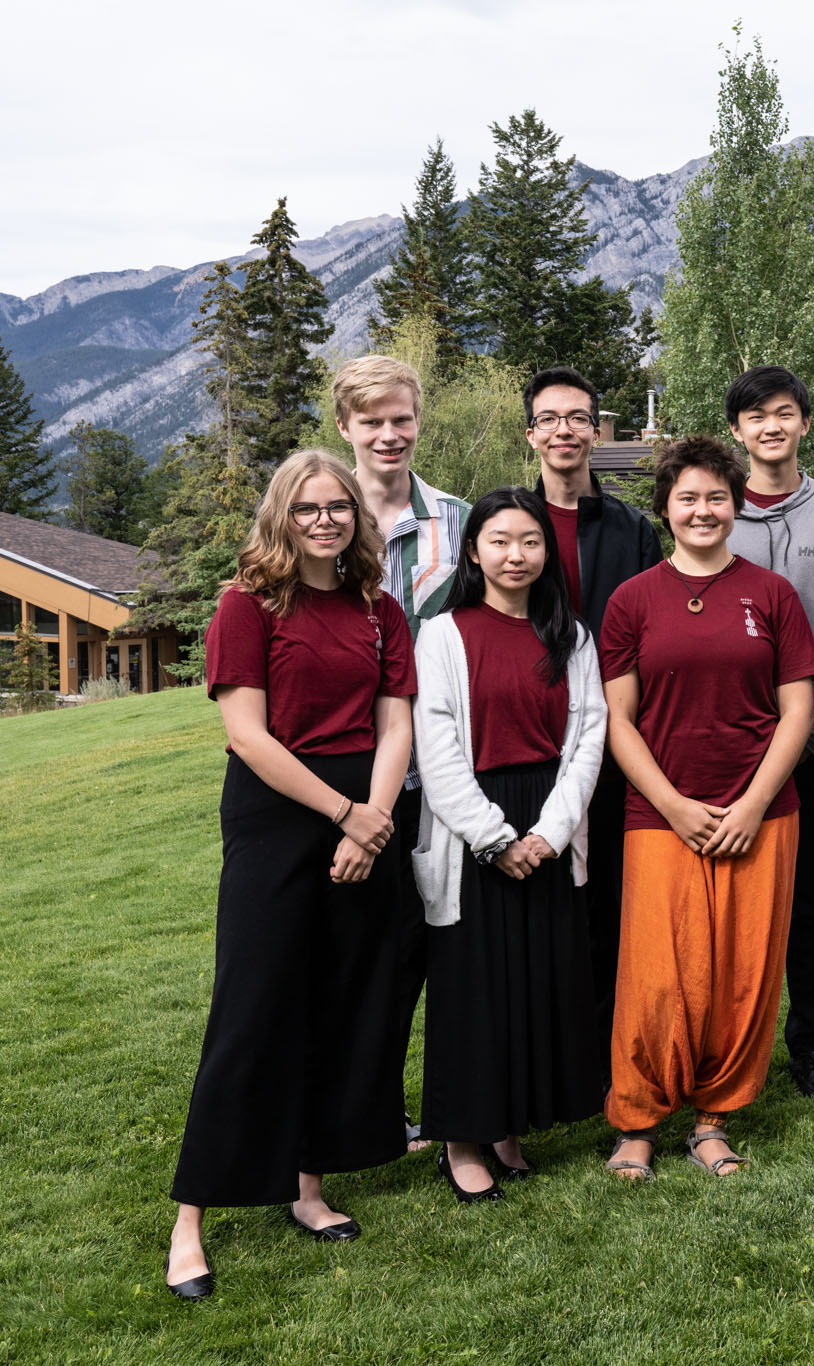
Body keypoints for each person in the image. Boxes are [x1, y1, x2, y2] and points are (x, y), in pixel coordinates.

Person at [164, 451, 415, 1300]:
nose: (323, 520)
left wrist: (373, 823)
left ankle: (309, 1188)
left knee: (340, 1003)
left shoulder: (378, 609)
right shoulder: (248, 605)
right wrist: (345, 817)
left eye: (337, 506)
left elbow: (395, 725)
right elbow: (249, 736)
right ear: (282, 514)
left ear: (356, 515)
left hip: (367, 812)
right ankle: (190, 1221)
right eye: (306, 507)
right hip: (279, 813)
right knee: (253, 1008)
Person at [599, 437, 814, 1178]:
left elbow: (796, 710)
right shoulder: (632, 600)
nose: (703, 510)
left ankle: (713, 1118)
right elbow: (617, 719)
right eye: (688, 498)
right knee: (658, 976)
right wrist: (672, 804)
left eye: (716, 497)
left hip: (762, 812)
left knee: (742, 972)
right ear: (664, 509)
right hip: (660, 815)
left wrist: (754, 803)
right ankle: (636, 1121)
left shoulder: (772, 595)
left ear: (736, 505)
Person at [411, 488, 608, 1202]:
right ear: (472, 551)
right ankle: (462, 1139)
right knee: (474, 990)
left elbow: (588, 738)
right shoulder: (443, 635)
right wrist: (498, 839)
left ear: (544, 551)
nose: (515, 555)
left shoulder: (570, 636)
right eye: (499, 541)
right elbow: (437, 751)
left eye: (529, 541)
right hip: (473, 833)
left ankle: (509, 1128)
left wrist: (549, 835)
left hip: (550, 824)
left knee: (535, 983)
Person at [334, 353, 468, 1154]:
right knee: (360, 956)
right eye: (372, 421)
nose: (389, 434)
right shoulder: (315, 511)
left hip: (442, 767)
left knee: (439, 946)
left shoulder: (455, 519)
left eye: (401, 419)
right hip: (345, 769)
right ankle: (365, 1116)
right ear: (345, 427)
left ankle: (450, 1110)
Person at [525, 366, 663, 1041]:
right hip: (533, 737)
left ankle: (614, 1039)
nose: (564, 430)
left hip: (616, 736)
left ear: (594, 431)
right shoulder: (510, 525)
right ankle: (553, 1041)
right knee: (545, 892)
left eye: (577, 417)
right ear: (531, 434)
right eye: (549, 419)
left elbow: (651, 633)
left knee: (613, 895)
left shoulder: (632, 529)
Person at [725, 365, 814, 1100]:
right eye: (755, 417)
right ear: (737, 432)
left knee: (810, 905)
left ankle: (808, 1048)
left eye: (783, 414)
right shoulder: (711, 513)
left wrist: (807, 738)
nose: (770, 427)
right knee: (731, 904)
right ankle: (731, 1044)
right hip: (727, 753)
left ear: (804, 422)